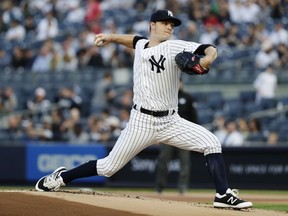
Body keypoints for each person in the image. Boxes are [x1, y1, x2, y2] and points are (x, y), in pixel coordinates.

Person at [35, 9, 253, 209]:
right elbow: (134, 40)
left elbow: (209, 48)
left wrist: (207, 60)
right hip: (141, 121)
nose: (169, 27)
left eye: (172, 24)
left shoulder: (174, 46)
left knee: (212, 143)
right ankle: (62, 177)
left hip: (171, 121)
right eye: (165, 23)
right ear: (152, 25)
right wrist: (111, 37)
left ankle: (222, 194)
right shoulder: (141, 45)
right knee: (108, 167)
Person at [155, 81, 198, 194]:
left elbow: (194, 117)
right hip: (167, 134)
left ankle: (182, 188)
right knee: (163, 161)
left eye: (179, 82)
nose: (177, 85)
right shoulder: (165, 97)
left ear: (182, 83)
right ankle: (160, 187)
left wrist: (193, 133)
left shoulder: (187, 98)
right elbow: (159, 116)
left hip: (184, 134)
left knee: (185, 162)